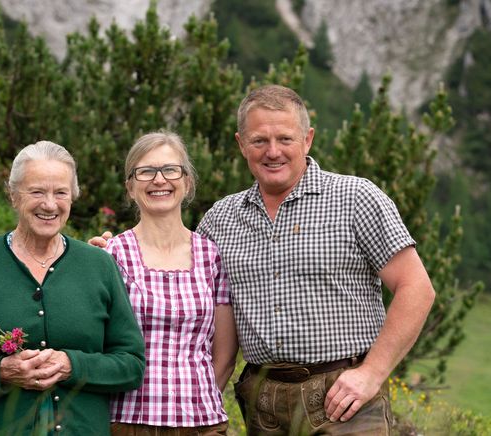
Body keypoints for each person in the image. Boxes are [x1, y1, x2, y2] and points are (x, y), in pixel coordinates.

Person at [93, 85, 435, 435]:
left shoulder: (356, 198)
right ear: (242, 144)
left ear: (308, 139)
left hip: (343, 396)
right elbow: (175, 265)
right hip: (263, 402)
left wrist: (372, 373)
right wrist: (105, 256)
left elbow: (416, 288)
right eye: (259, 141)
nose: (273, 152)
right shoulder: (220, 220)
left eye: (285, 139)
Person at [0, 140, 146, 435]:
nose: (49, 204)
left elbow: (131, 364)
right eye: (37, 191)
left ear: (73, 197)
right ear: (13, 195)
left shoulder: (99, 266)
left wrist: (72, 365)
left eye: (60, 192)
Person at [106, 131, 238, 436]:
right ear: (130, 187)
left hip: (202, 423)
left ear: (187, 182)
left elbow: (225, 352)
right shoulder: (112, 254)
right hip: (129, 421)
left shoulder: (211, 255)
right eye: (146, 171)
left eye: (170, 170)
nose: (159, 179)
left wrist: (196, 402)